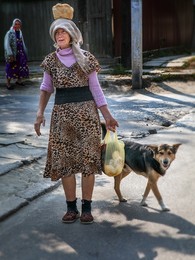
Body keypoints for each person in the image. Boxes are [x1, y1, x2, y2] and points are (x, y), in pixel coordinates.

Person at [34, 3, 118, 224]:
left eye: (64, 30)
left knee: (88, 161)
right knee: (65, 163)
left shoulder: (86, 58)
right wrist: (39, 113)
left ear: (72, 35)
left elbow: (96, 89)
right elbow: (46, 88)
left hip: (87, 116)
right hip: (62, 119)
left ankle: (87, 208)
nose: (60, 34)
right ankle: (71, 208)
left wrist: (107, 115)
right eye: (57, 31)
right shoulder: (51, 60)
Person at [4, 18, 29, 90]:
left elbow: (22, 42)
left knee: (20, 67)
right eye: (16, 24)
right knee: (10, 68)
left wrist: (25, 52)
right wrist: (10, 54)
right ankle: (8, 83)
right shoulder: (9, 33)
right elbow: (7, 44)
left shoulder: (20, 32)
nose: (17, 25)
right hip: (13, 54)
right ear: (13, 24)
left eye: (18, 24)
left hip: (20, 53)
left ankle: (19, 81)